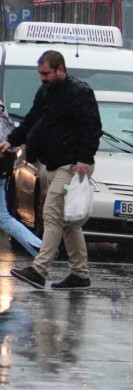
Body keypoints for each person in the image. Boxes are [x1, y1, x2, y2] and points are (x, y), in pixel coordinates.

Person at [0, 50, 102, 290]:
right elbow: (32, 118)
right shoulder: (46, 91)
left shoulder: (80, 92)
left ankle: (39, 269)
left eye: (46, 73)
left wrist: (84, 159)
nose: (42, 78)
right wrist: (11, 140)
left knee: (52, 214)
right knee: (68, 223)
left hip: (72, 165)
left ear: (60, 70)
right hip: (57, 164)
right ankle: (80, 274)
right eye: (40, 74)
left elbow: (92, 128)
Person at [0, 102, 43, 257]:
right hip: (4, 164)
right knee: (3, 216)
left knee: (3, 215)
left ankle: (41, 249)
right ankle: (39, 248)